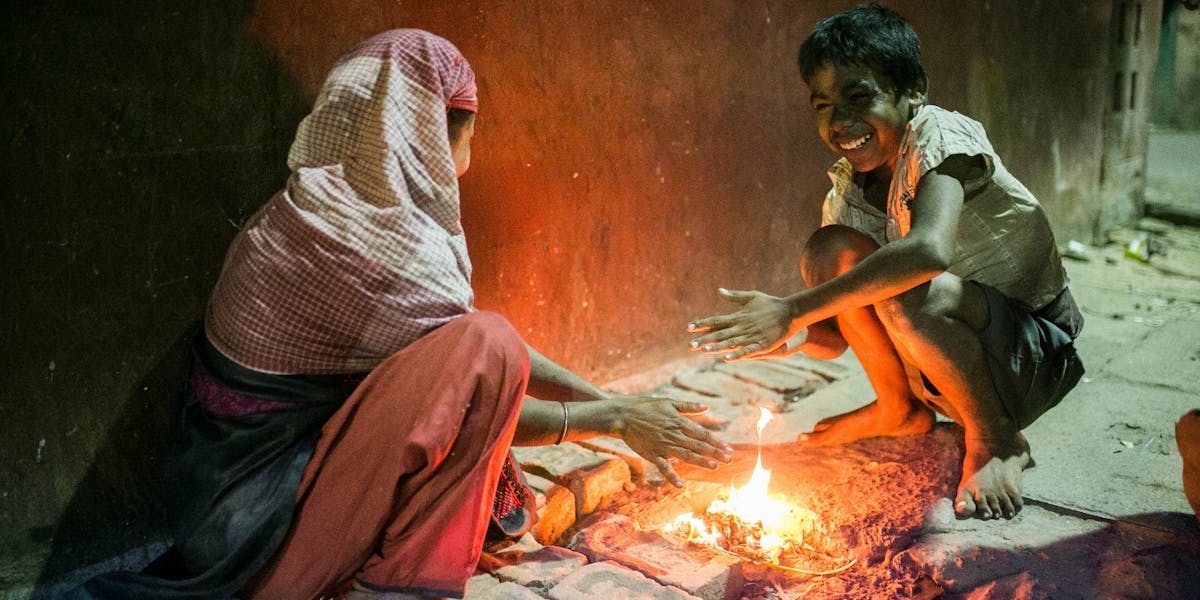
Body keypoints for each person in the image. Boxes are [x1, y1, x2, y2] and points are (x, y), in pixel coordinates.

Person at [77, 29, 731, 600]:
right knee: (488, 343)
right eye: (469, 134)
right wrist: (613, 417)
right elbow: (480, 373)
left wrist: (619, 408)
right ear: (430, 135)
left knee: (482, 342)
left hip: (223, 516)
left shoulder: (317, 209)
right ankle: (393, 589)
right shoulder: (370, 246)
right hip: (258, 544)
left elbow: (452, 343)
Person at [687, 4, 1084, 522]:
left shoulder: (940, 137)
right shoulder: (847, 194)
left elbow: (928, 251)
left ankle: (997, 439)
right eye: (823, 105)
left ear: (913, 90)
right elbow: (834, 338)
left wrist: (790, 308)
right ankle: (899, 409)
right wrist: (790, 337)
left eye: (859, 97)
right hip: (938, 372)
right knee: (829, 249)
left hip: (1031, 355)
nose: (840, 122)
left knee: (904, 282)